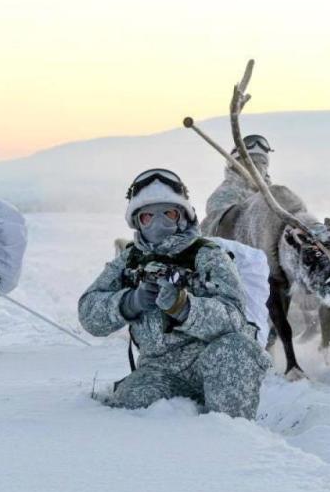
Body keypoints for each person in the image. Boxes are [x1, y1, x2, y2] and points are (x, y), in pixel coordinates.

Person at [78, 168, 271, 419]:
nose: (158, 223)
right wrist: (129, 302)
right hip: (160, 370)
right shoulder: (129, 261)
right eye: (148, 216)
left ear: (183, 217)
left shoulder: (208, 255)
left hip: (212, 360)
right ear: (137, 221)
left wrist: (185, 307)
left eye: (168, 214)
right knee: (130, 409)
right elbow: (89, 313)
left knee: (237, 349)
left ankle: (230, 439)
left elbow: (234, 318)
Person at [201, 134, 273, 235]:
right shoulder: (224, 194)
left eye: (263, 162)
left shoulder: (273, 196)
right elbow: (218, 228)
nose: (258, 167)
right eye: (251, 162)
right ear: (235, 165)